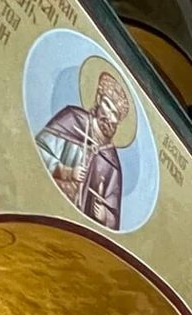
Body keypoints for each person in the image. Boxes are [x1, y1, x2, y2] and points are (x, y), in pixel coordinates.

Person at [35, 67, 134, 230]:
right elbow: (39, 149)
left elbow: (113, 214)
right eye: (107, 105)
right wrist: (66, 172)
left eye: (115, 114)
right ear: (98, 98)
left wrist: (104, 215)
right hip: (46, 208)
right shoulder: (71, 119)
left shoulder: (112, 163)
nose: (109, 116)